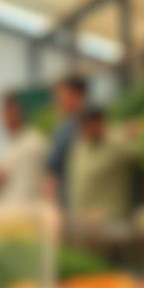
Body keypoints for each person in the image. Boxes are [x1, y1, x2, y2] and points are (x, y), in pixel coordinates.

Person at [66, 106, 140, 230]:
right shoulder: (79, 146)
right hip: (82, 221)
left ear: (99, 123)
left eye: (87, 124)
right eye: (82, 125)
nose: (84, 129)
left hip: (111, 222)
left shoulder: (117, 143)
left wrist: (133, 131)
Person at [0, 90, 48, 204]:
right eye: (3, 114)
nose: (5, 119)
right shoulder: (13, 143)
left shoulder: (34, 142)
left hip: (25, 211)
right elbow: (4, 175)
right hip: (12, 211)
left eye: (9, 113)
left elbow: (26, 187)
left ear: (20, 113)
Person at [45, 73, 88, 206]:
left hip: (71, 203)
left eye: (61, 95)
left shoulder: (67, 130)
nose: (58, 100)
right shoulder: (66, 127)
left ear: (77, 95)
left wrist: (50, 204)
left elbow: (52, 175)